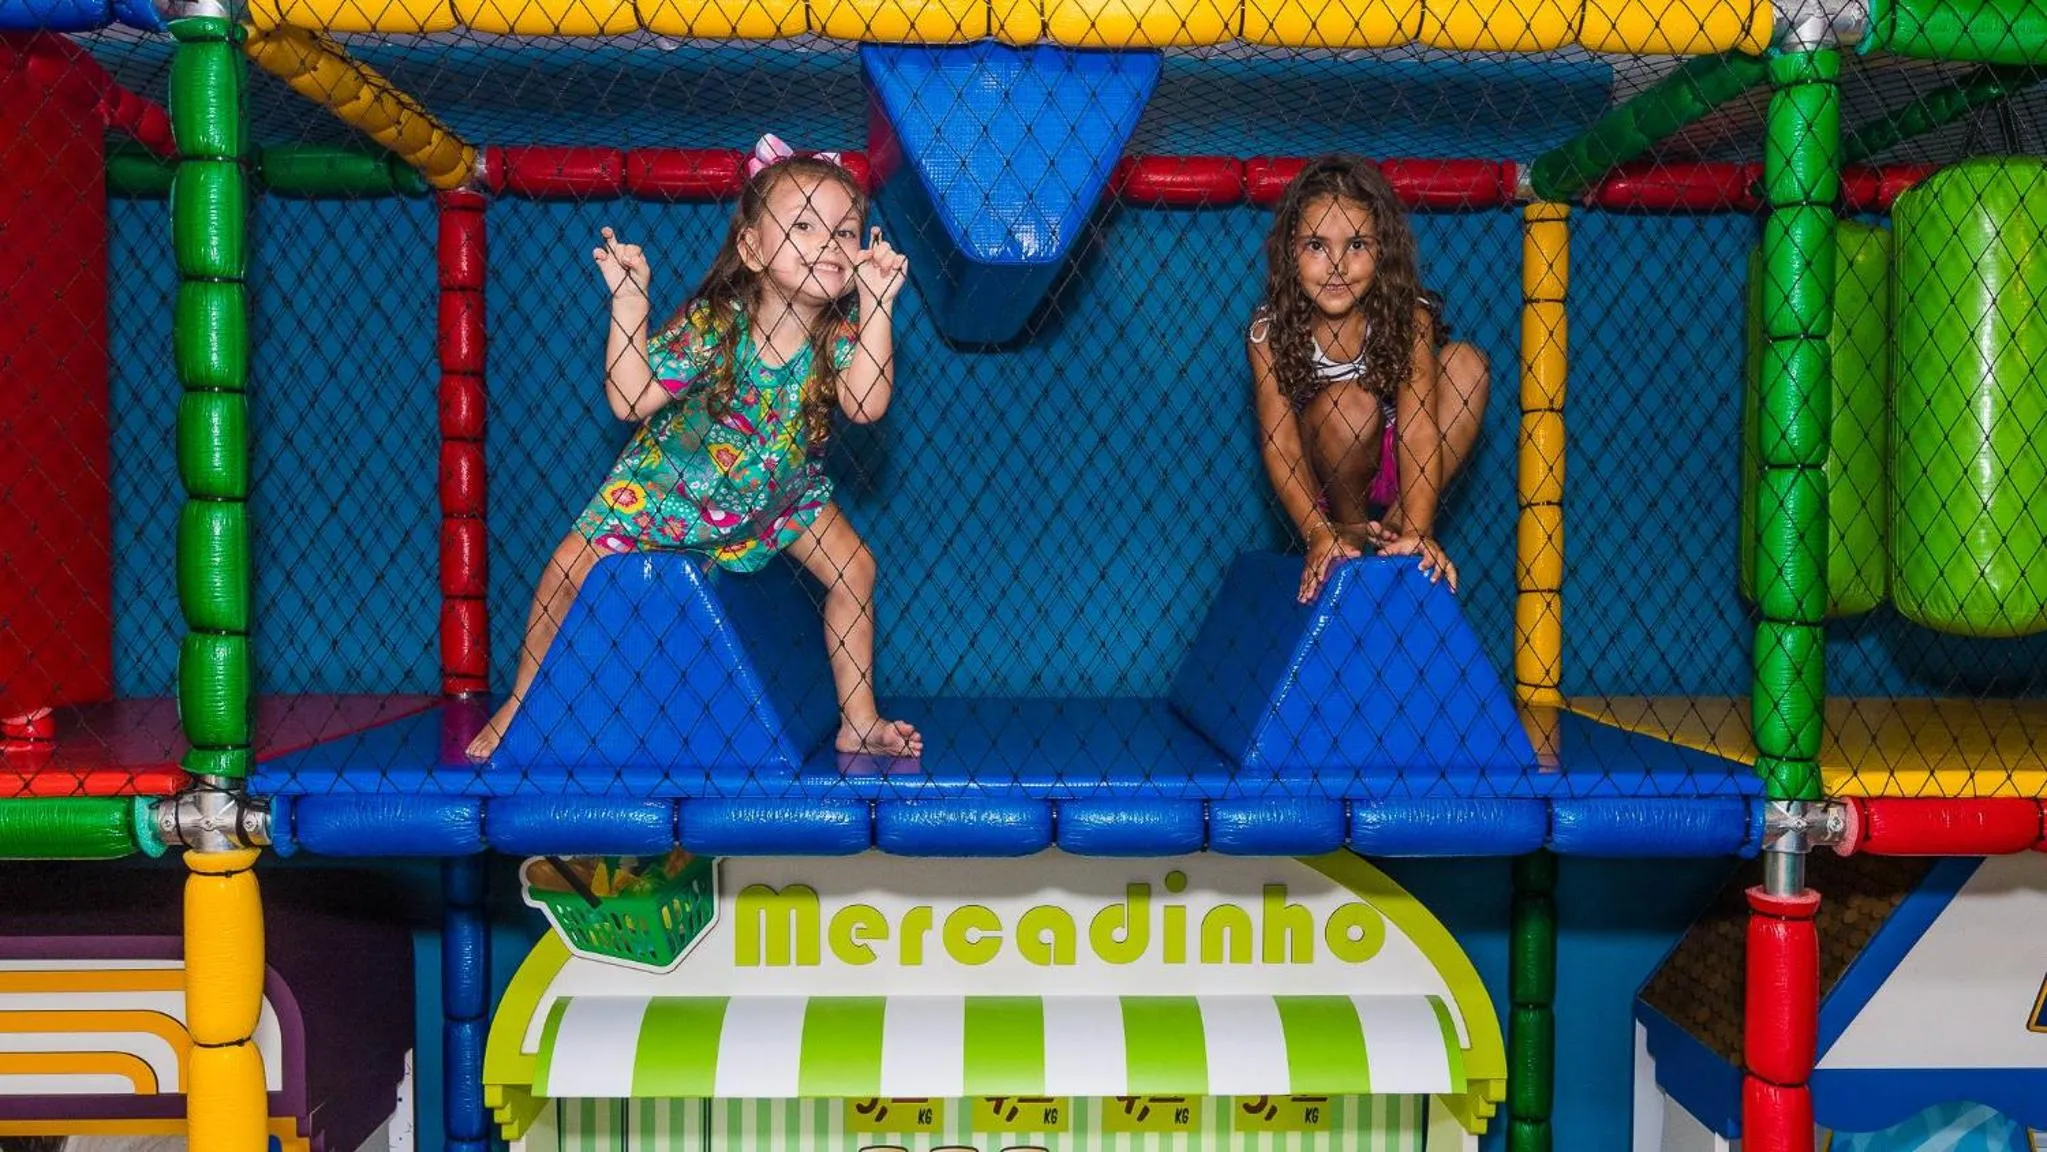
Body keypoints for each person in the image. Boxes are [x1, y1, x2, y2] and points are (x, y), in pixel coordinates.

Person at [467, 135, 922, 762]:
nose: (830, 244)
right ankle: (520, 705)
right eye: (805, 226)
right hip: (668, 493)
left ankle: (859, 720)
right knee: (568, 570)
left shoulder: (843, 336)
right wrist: (630, 303)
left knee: (856, 569)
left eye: (846, 232)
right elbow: (631, 400)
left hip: (777, 497)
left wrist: (877, 306)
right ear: (752, 249)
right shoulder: (717, 324)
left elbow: (866, 405)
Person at [1247, 155, 1490, 604]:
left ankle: (1396, 532)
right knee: (1352, 406)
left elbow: (1417, 429)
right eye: (1317, 245)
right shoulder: (1270, 331)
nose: (1337, 265)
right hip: (1327, 470)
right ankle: (1350, 534)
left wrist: (1419, 529)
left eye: (1356, 244)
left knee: (1466, 363)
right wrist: (1319, 533)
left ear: (1383, 251)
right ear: (1289, 252)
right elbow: (1280, 446)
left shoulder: (1405, 318)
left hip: (1401, 463)